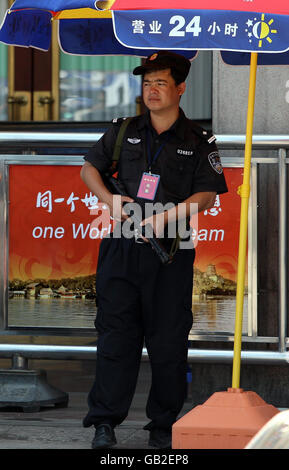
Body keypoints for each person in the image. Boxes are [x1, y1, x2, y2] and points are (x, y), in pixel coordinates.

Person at [81, 50, 228, 449]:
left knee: (168, 341)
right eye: (147, 83)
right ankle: (105, 423)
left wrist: (166, 218)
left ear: (181, 88)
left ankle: (163, 426)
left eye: (160, 83)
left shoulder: (198, 140)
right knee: (116, 335)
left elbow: (207, 195)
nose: (152, 90)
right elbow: (89, 168)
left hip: (171, 251)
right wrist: (110, 201)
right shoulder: (124, 129)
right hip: (121, 247)